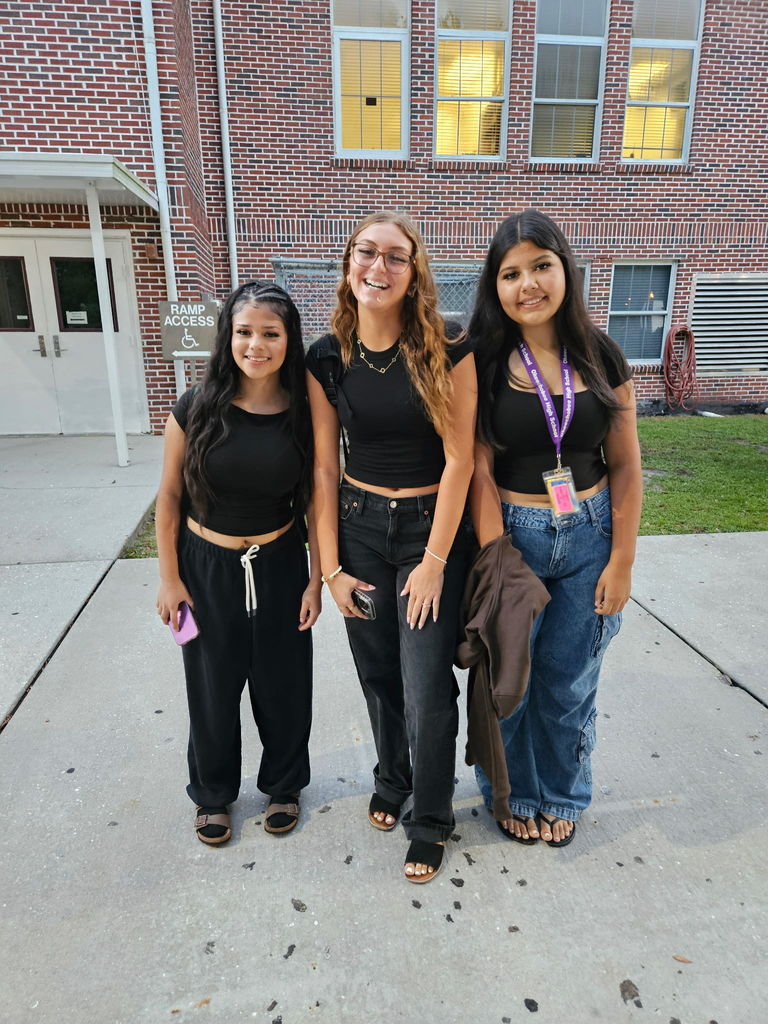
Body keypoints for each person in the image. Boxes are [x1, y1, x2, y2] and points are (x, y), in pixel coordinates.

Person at [305, 211, 476, 883]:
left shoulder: (448, 344)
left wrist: (435, 562)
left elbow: (460, 460)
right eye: (367, 253)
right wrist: (332, 568)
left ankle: (431, 816)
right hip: (359, 527)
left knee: (428, 683)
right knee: (377, 671)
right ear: (349, 265)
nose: (379, 267)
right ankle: (392, 773)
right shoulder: (327, 355)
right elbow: (323, 465)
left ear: (414, 273)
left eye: (395, 257)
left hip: (430, 528)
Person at [468, 210, 642, 847]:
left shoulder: (601, 355)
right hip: (515, 532)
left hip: (590, 532)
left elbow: (625, 465)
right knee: (509, 677)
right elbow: (479, 468)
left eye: (542, 265)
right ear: (496, 287)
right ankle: (513, 793)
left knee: (569, 679)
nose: (529, 284)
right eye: (511, 273)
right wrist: (497, 555)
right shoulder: (484, 362)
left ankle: (563, 792)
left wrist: (621, 558)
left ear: (565, 268)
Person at [155, 281, 320, 846]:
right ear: (228, 336)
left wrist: (316, 579)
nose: (256, 345)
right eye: (244, 332)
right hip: (203, 571)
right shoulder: (195, 406)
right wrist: (169, 578)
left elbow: (316, 502)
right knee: (211, 688)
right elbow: (170, 498)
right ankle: (213, 795)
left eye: (270, 334)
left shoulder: (303, 412)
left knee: (285, 686)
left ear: (288, 340)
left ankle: (283, 784)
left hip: (279, 564)